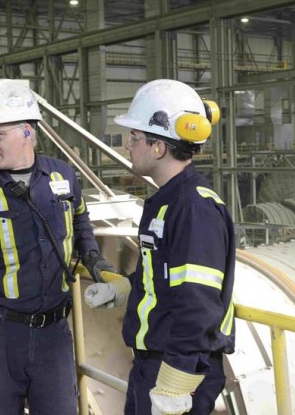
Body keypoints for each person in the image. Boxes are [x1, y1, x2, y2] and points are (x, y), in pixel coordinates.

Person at [0, 79, 115, 415]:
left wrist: (92, 256)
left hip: (54, 336)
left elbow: (81, 221)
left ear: (27, 131)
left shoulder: (62, 176)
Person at [84, 79, 236, 415]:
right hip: (152, 363)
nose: (127, 146)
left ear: (159, 147)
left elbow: (198, 304)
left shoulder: (195, 209)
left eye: (135, 138)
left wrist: (175, 383)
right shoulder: (165, 201)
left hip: (179, 369)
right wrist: (124, 288)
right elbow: (164, 276)